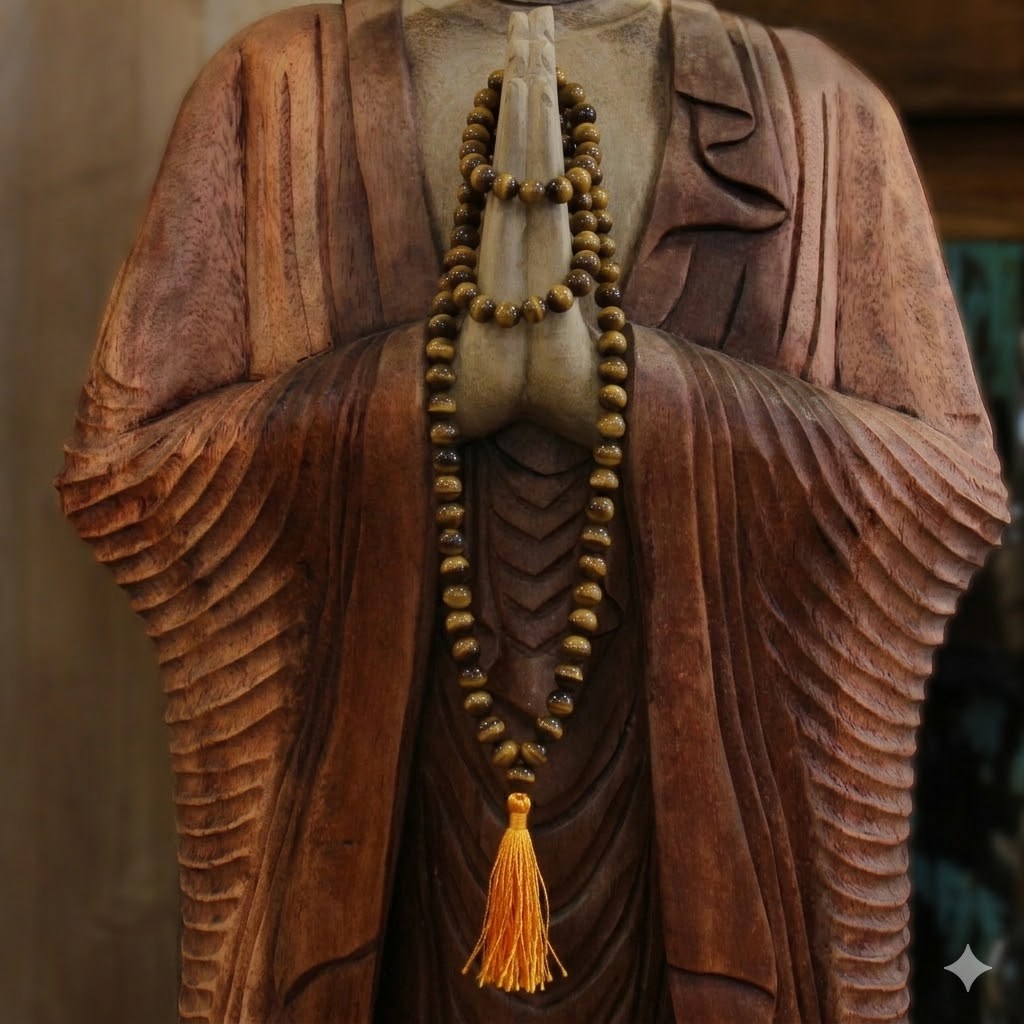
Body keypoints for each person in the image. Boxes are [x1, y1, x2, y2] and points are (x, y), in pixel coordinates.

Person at [57, 0, 1008, 1021]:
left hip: (709, 859)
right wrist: (430, 389)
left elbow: (946, 490)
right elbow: (127, 472)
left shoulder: (817, 108)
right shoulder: (278, 89)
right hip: (376, 851)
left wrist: (627, 392)